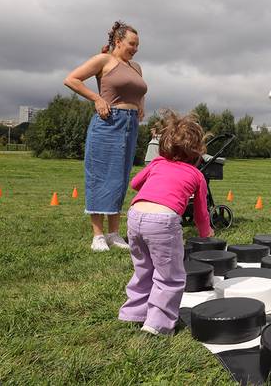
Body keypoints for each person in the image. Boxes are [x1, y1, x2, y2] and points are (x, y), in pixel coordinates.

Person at [118, 111, 213, 335]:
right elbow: (200, 213)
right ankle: (157, 324)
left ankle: (133, 313)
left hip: (134, 215)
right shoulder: (196, 175)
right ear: (198, 151)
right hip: (163, 222)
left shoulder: (157, 163)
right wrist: (205, 233)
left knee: (143, 269)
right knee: (170, 276)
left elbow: (134, 183)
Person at [64, 21, 148, 251]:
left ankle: (114, 234)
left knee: (120, 179)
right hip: (108, 123)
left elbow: (139, 90)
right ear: (118, 41)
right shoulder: (104, 60)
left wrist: (140, 105)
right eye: (132, 44)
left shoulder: (136, 67)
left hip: (130, 126)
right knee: (100, 176)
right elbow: (71, 79)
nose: (135, 48)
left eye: (137, 45)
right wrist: (97, 99)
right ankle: (98, 236)